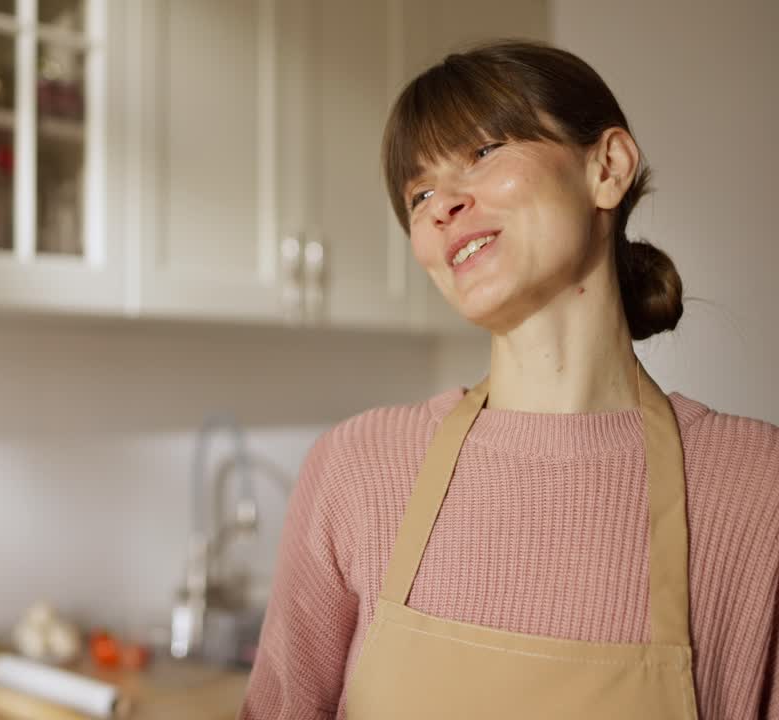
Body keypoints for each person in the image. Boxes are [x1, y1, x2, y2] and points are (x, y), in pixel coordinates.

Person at [241, 40, 779, 719]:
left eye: (484, 152)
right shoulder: (355, 470)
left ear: (607, 167)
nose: (442, 206)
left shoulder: (756, 488)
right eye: (420, 193)